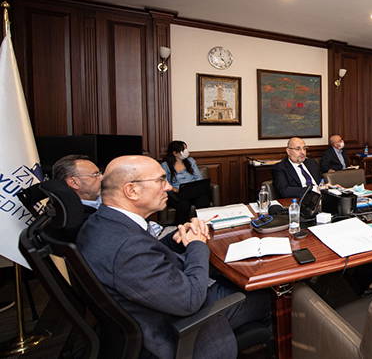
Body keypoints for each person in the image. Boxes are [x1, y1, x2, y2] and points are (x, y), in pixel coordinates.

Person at [77, 155, 270, 358]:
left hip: (161, 298)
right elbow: (190, 301)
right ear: (131, 190)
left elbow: (148, 254)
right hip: (176, 325)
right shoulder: (127, 247)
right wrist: (197, 243)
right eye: (161, 180)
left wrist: (175, 239)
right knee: (270, 295)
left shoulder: (102, 223)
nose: (169, 187)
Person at [161, 140, 210, 224]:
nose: (186, 151)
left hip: (193, 191)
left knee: (203, 199)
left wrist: (197, 188)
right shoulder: (165, 165)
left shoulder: (190, 161)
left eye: (186, 149)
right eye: (183, 150)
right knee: (183, 204)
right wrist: (174, 189)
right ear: (175, 153)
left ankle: (203, 224)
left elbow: (199, 177)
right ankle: (181, 227)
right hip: (177, 193)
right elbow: (165, 182)